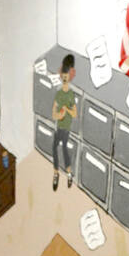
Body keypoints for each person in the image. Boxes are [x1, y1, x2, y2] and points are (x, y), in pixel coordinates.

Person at [51, 53, 78, 191]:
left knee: (64, 149)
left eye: (66, 76)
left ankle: (68, 173)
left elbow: (75, 113)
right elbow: (53, 113)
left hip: (66, 128)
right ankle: (56, 173)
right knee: (54, 148)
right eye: (63, 76)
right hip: (59, 126)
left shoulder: (70, 95)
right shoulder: (59, 93)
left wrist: (66, 110)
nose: (64, 78)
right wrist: (58, 115)